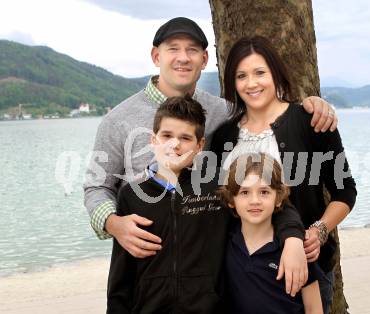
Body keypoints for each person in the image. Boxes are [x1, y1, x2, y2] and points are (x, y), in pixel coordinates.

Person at [84, 17, 337, 294]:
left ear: (204, 60)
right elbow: (98, 186)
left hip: (209, 271)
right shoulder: (118, 120)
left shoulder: (224, 112)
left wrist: (312, 106)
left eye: (192, 50)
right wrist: (114, 224)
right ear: (156, 56)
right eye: (173, 49)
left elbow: (265, 120)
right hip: (147, 270)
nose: (183, 58)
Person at [106, 96, 306, 314]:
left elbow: (275, 205)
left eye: (185, 138)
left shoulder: (216, 186)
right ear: (153, 140)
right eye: (167, 136)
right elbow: (121, 277)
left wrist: (293, 240)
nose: (174, 145)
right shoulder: (132, 195)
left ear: (200, 145)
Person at [210, 35, 357, 314]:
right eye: (241, 76)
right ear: (232, 83)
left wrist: (319, 230)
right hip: (243, 269)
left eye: (260, 72)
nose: (251, 83)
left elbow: (345, 192)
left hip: (305, 266)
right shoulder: (224, 136)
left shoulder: (311, 122)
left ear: (275, 74)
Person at [218, 153, 325, 314]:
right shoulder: (226, 242)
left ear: (279, 198)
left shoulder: (297, 249)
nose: (255, 201)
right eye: (244, 192)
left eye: (264, 192)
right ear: (231, 200)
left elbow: (313, 309)